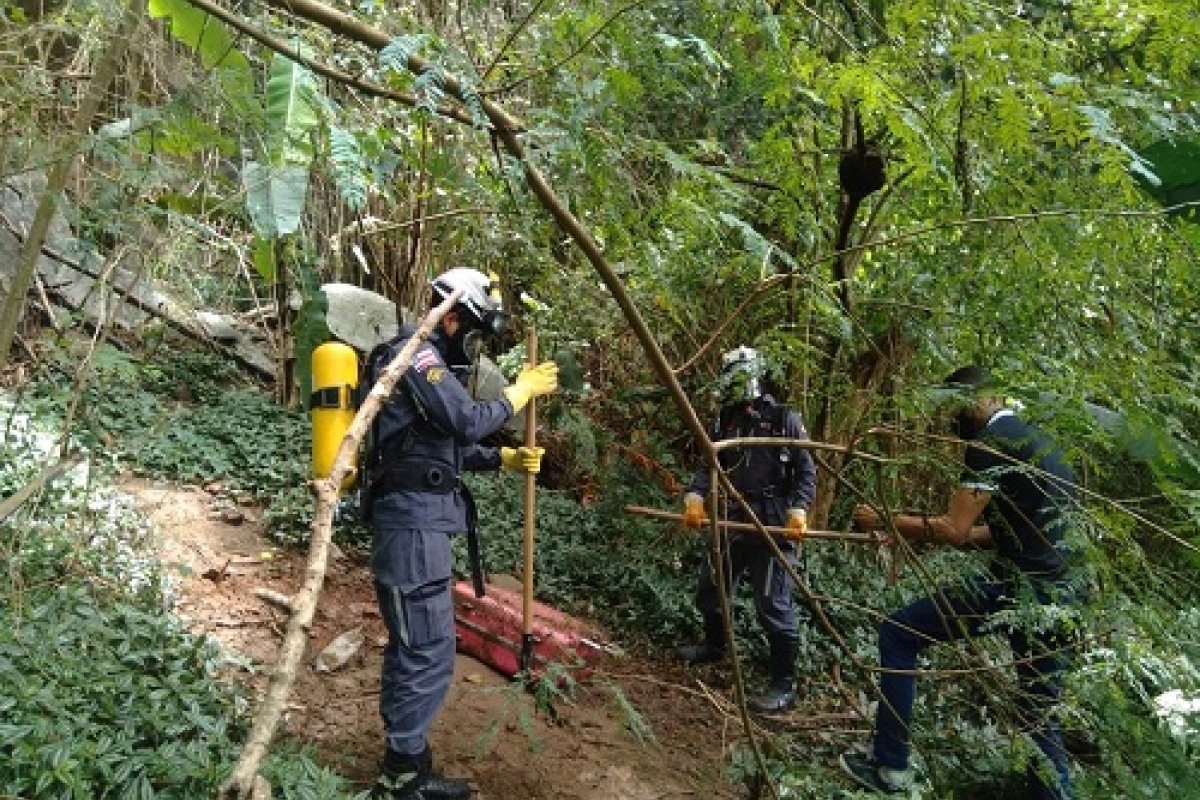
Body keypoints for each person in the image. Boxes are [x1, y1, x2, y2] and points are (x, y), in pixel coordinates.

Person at [840, 366, 1083, 799]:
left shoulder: (991, 446)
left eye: (956, 405)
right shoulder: (1042, 445)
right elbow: (1002, 532)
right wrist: (912, 531)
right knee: (1037, 710)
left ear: (980, 400)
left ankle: (890, 766)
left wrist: (884, 519)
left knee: (899, 633)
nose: (954, 418)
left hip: (1019, 588)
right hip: (1062, 593)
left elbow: (953, 528)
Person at [364, 267, 558, 800]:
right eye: (471, 332)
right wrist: (519, 393)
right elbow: (467, 420)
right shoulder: (415, 356)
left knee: (416, 645)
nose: (471, 346)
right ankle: (401, 778)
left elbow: (439, 450)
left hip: (418, 522)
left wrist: (504, 459)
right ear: (450, 318)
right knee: (425, 648)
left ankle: (407, 758)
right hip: (411, 527)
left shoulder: (419, 359)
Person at [675, 345, 818, 713]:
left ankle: (783, 683)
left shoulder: (785, 418)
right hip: (735, 515)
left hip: (773, 522)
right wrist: (695, 494)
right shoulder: (726, 419)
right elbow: (711, 462)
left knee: (772, 601)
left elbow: (806, 470)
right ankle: (715, 646)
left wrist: (799, 509)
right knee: (711, 585)